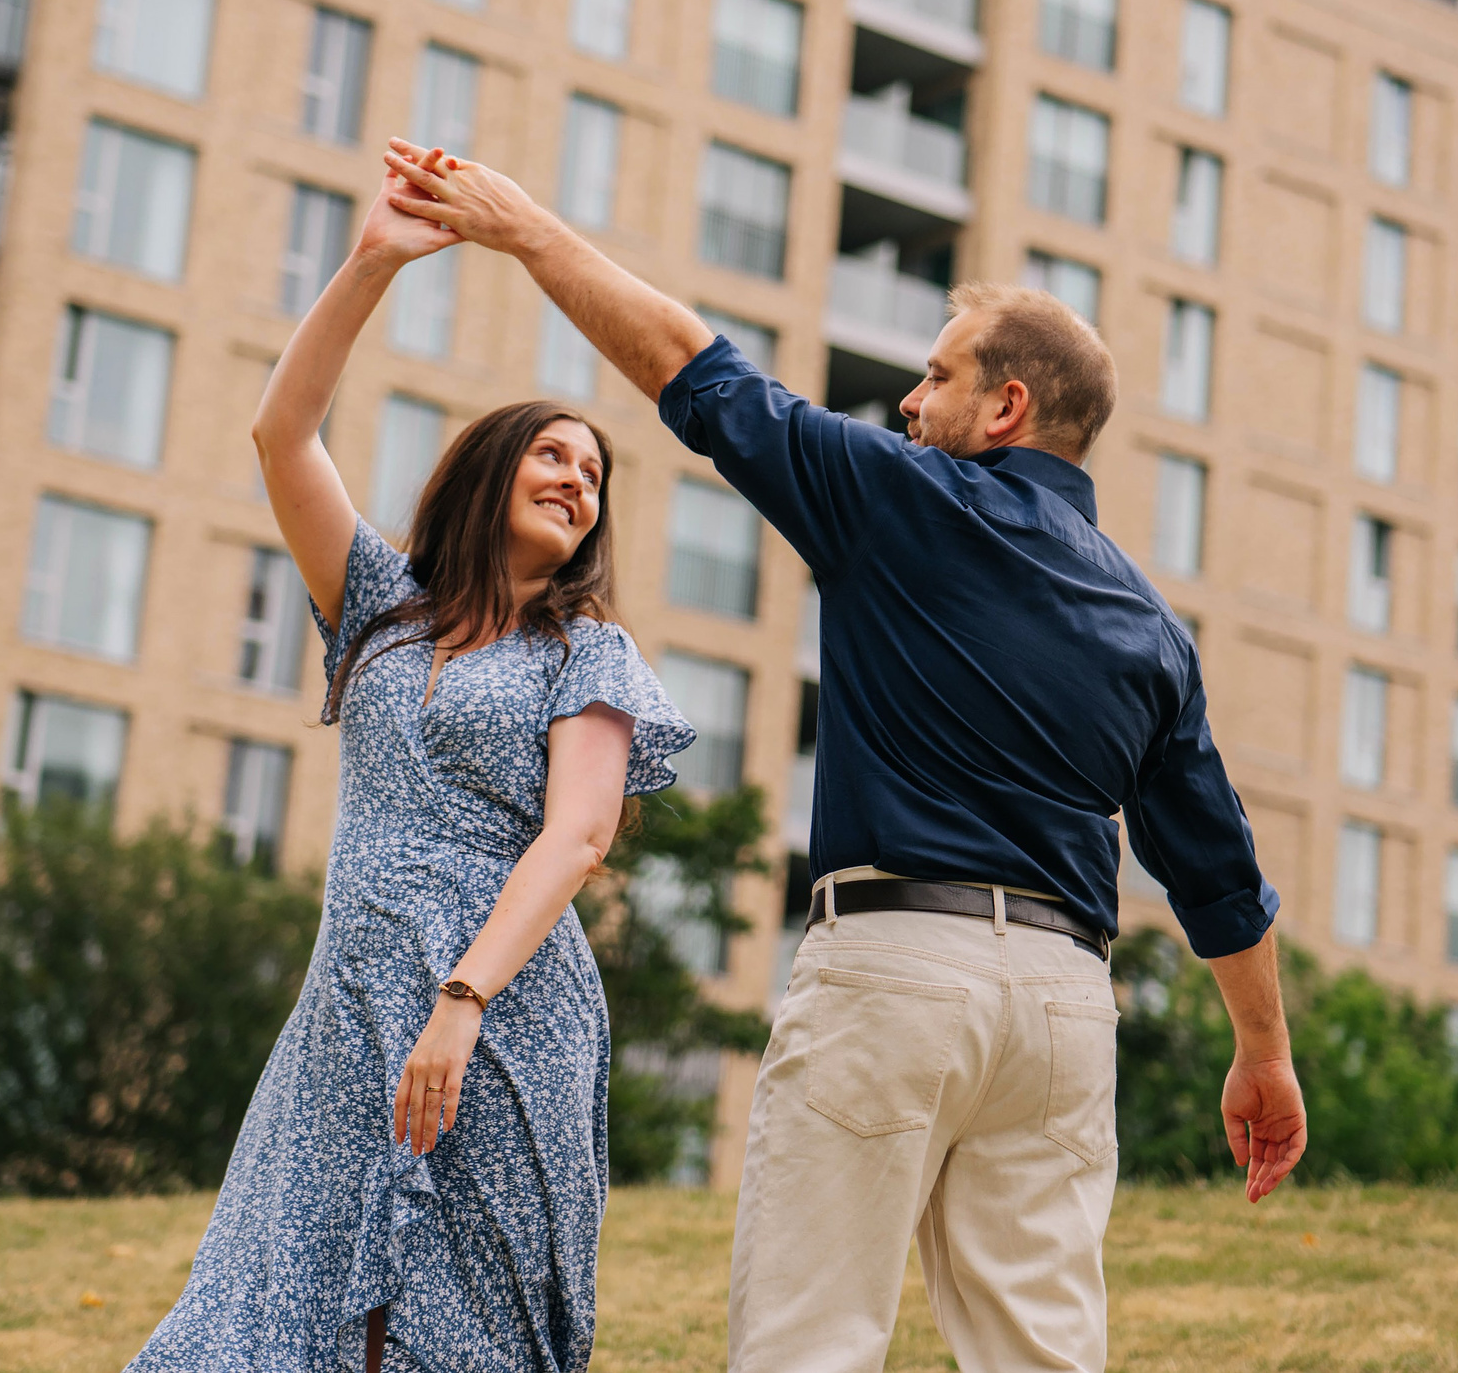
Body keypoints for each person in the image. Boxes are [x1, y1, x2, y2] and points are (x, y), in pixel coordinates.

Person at [380, 138, 1308, 1373]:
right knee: (1041, 1354)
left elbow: (691, 371)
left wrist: (522, 228)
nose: (910, 405)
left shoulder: (903, 496)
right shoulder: (1150, 625)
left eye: (936, 378)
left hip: (893, 972)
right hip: (1064, 1010)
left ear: (1005, 406)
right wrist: (1263, 1052)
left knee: (806, 1342)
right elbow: (1216, 870)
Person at [125, 159, 693, 1373]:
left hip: (504, 1003)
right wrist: (373, 259)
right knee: (281, 1299)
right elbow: (283, 432)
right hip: (349, 994)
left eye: (594, 475)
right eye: (554, 455)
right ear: (488, 474)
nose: (578, 482)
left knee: (453, 1320)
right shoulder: (380, 607)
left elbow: (577, 837)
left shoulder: (587, 648)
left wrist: (463, 1000)